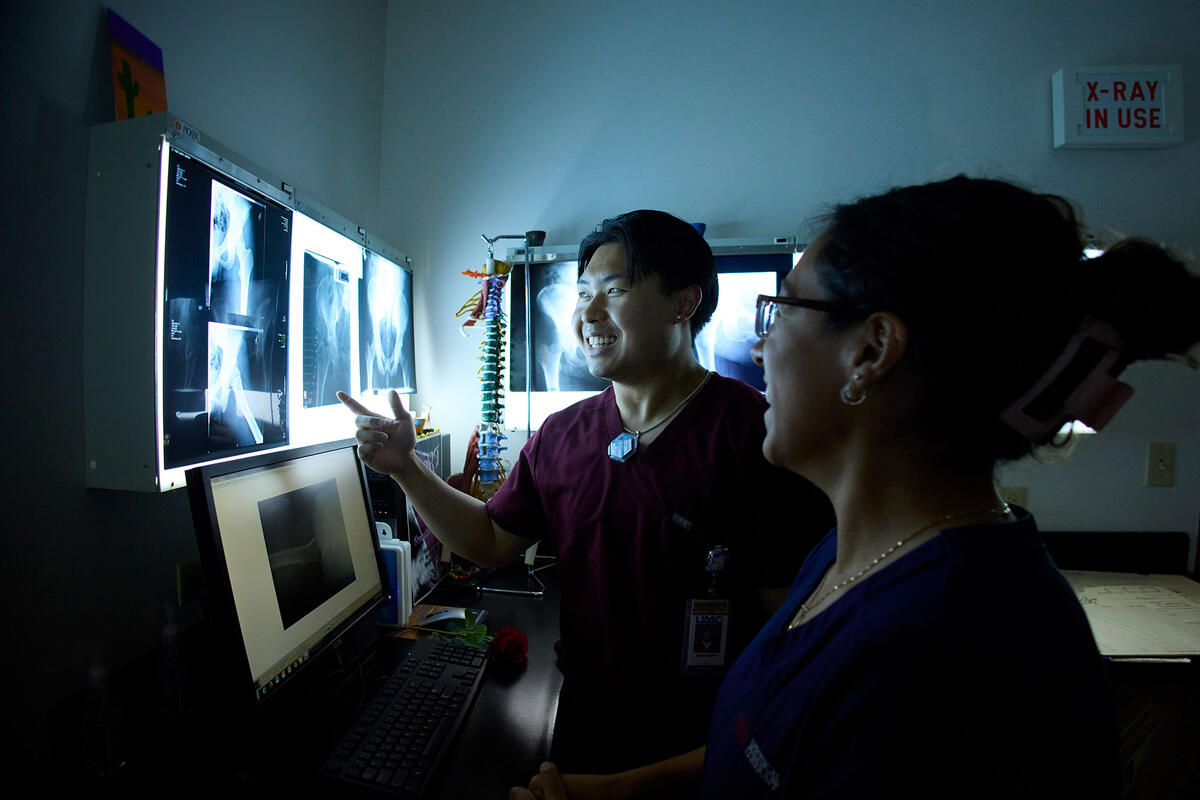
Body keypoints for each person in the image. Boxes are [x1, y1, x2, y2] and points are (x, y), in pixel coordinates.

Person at [509, 176, 1200, 799]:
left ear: (870, 352)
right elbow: (766, 746)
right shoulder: (852, 557)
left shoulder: (947, 648)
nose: (758, 348)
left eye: (780, 312)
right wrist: (617, 792)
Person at [339, 210, 834, 773]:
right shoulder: (562, 436)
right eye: (581, 295)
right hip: (582, 731)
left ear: (684, 303)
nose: (587, 315)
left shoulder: (758, 434)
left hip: (706, 747)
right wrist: (405, 469)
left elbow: (790, 639)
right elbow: (490, 539)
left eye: (614, 291)